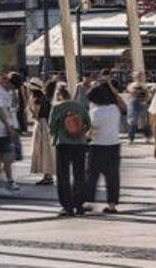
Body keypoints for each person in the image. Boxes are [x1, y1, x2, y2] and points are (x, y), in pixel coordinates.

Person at [48, 85, 91, 216]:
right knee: (79, 174)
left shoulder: (56, 107)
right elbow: (88, 124)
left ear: (58, 95)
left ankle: (67, 206)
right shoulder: (79, 106)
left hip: (63, 144)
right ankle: (79, 204)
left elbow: (51, 127)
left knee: (63, 176)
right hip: (80, 143)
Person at [85, 82, 122, 214]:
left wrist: (85, 137)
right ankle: (111, 205)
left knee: (92, 175)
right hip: (114, 145)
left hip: (97, 146)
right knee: (112, 177)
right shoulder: (114, 109)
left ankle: (88, 202)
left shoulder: (95, 112)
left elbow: (92, 131)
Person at [28, 78, 56, 185]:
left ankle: (47, 176)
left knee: (42, 150)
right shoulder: (45, 98)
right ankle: (48, 175)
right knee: (47, 150)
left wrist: (30, 108)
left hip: (41, 124)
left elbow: (35, 115)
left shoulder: (36, 99)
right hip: (46, 124)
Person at [126, 72, 151, 144]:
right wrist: (140, 89)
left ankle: (147, 137)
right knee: (132, 121)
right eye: (137, 76)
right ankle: (131, 139)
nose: (139, 77)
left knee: (144, 121)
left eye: (140, 76)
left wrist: (146, 100)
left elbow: (147, 94)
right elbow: (132, 92)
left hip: (142, 103)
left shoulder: (144, 85)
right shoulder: (131, 85)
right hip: (133, 103)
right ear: (134, 77)